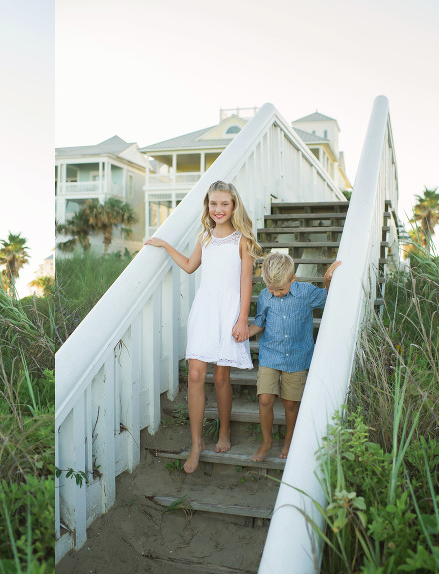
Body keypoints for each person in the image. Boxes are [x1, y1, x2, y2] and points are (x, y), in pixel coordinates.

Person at [145, 181, 261, 473]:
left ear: (234, 205)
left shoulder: (242, 240)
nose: (218, 209)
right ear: (207, 206)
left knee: (221, 377)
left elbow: (246, 281)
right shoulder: (205, 237)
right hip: (205, 310)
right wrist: (165, 245)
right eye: (213, 204)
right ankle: (197, 443)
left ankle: (224, 431)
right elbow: (188, 265)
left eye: (224, 203)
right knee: (196, 373)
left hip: (230, 310)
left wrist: (242, 319)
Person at [247, 251, 341, 462]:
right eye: (271, 289)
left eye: (280, 289)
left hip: (297, 357)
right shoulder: (265, 295)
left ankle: (290, 440)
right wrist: (246, 332)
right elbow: (260, 321)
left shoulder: (306, 292)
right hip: (270, 354)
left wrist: (327, 280)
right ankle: (267, 442)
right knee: (264, 399)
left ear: (293, 279)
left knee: (290, 403)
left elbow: (330, 300)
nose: (276, 293)